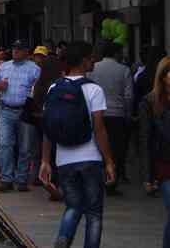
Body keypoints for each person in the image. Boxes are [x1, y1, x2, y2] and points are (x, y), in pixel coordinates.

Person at [39, 41, 117, 248]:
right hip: (91, 159)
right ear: (83, 61)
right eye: (91, 58)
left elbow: (48, 127)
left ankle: (63, 242)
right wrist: (109, 161)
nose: (93, 61)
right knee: (94, 214)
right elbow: (99, 129)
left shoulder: (54, 87)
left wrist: (45, 160)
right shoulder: (93, 89)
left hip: (64, 160)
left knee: (72, 207)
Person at [0, 40, 41, 192]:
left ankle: (21, 179)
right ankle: (6, 178)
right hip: (5, 110)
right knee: (3, 144)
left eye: (19, 49)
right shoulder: (3, 67)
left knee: (25, 147)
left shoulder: (34, 69)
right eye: (14, 48)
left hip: (24, 112)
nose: (15, 51)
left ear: (27, 51)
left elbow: (39, 91)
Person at [88, 40, 133, 194]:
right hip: (117, 114)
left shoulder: (93, 69)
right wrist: (128, 114)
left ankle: (97, 181)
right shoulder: (124, 70)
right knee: (116, 150)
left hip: (97, 114)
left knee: (97, 148)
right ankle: (111, 182)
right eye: (121, 52)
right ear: (116, 53)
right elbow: (128, 96)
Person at [140, 56, 170, 247]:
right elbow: (146, 139)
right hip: (164, 163)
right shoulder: (150, 101)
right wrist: (147, 175)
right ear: (163, 76)